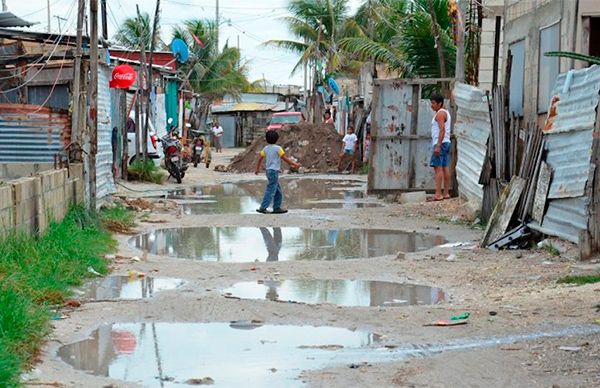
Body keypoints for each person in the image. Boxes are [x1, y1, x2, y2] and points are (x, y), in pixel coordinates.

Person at [255, 130, 301, 214]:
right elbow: (284, 158)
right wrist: (295, 164)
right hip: (273, 172)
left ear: (266, 139)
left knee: (278, 190)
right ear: (277, 139)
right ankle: (263, 207)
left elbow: (259, 159)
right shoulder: (278, 148)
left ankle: (276, 207)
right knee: (270, 190)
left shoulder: (265, 148)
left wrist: (257, 169)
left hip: (269, 171)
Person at [429, 94, 452, 201]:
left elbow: (441, 130)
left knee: (437, 168)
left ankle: (438, 194)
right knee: (444, 167)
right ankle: (446, 193)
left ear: (440, 103)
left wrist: (438, 145)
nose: (431, 105)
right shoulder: (445, 112)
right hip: (446, 142)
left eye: (433, 103)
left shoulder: (440, 114)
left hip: (441, 143)